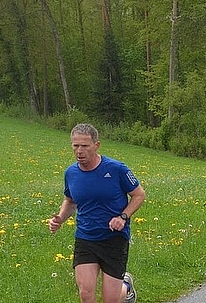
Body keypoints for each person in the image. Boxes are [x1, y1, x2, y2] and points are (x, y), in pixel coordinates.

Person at [49, 123, 145, 303]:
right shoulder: (71, 173)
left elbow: (139, 194)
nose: (79, 151)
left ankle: (127, 288)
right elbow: (70, 200)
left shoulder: (117, 169)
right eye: (75, 145)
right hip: (86, 238)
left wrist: (123, 217)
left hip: (114, 238)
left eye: (84, 146)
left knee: (111, 299)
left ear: (96, 145)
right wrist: (60, 218)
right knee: (86, 293)